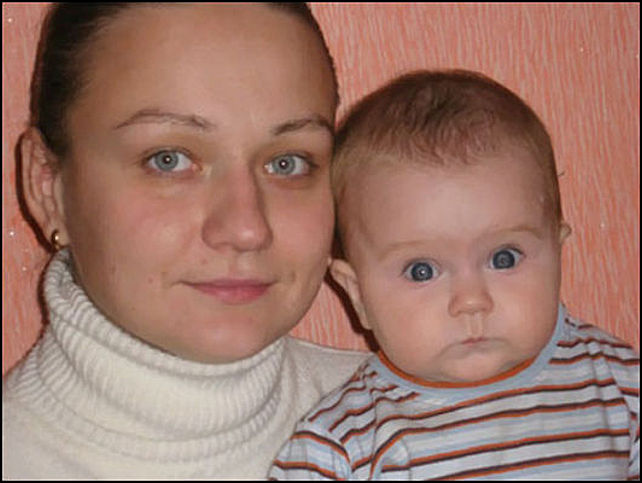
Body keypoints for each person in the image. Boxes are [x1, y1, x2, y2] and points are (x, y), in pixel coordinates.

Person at [2, 3, 369, 479]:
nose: (246, 229)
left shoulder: (429, 433)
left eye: (288, 163)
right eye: (169, 160)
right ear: (47, 186)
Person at [269, 70, 640, 480]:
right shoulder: (341, 445)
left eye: (504, 258)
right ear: (358, 295)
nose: (471, 300)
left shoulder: (620, 385)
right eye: (422, 270)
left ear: (558, 250)